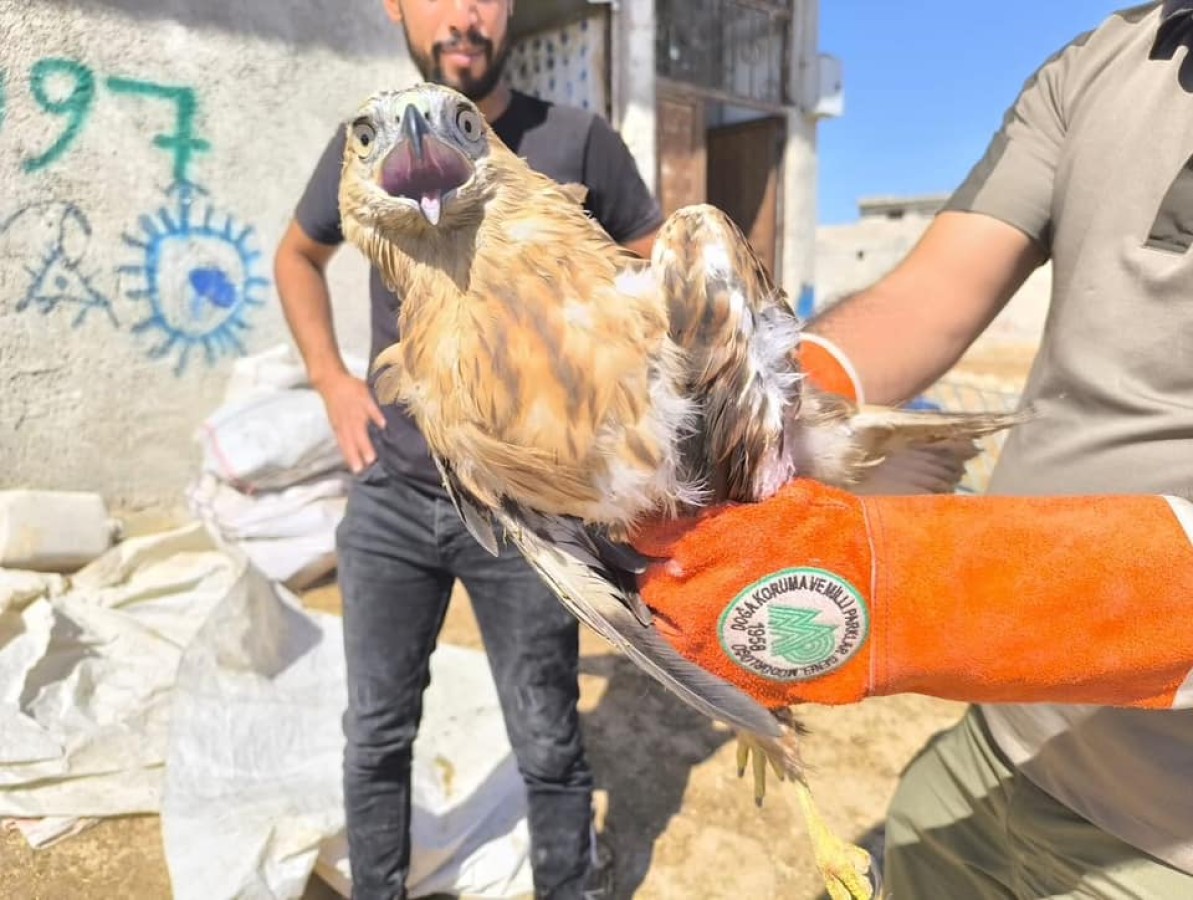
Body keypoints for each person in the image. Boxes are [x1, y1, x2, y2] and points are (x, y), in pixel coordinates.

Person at [632, 2, 1193, 897]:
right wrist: (754, 412)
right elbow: (925, 301)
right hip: (998, 754)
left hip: (1165, 842)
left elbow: (909, 600)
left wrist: (901, 598)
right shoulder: (1108, 60)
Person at [273, 2, 663, 897]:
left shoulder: (577, 141)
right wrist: (333, 380)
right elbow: (299, 255)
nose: (464, 15)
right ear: (398, 9)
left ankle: (569, 887)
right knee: (375, 733)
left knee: (547, 738)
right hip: (393, 493)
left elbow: (655, 272)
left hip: (527, 512)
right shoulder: (369, 139)